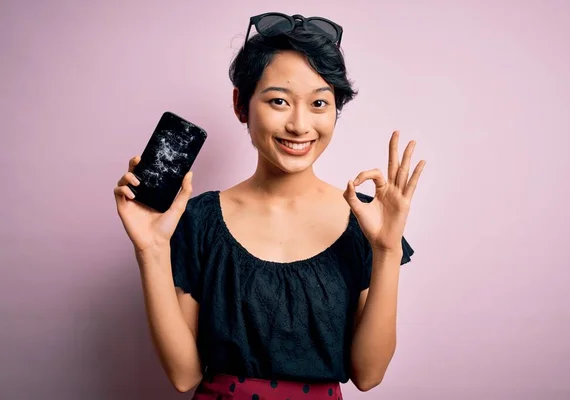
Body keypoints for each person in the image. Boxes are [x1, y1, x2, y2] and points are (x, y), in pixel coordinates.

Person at [114, 12, 425, 400]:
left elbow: (369, 374)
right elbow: (183, 376)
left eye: (319, 103)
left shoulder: (367, 220)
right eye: (279, 100)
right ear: (241, 105)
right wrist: (151, 249)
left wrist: (386, 249)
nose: (299, 124)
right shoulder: (198, 220)